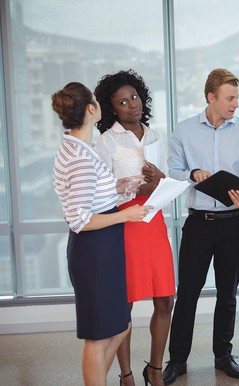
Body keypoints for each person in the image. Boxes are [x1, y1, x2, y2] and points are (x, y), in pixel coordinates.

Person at [162, 68, 239, 384]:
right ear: (211, 97)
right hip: (199, 224)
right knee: (188, 293)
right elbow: (173, 171)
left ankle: (223, 355)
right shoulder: (184, 130)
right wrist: (193, 174)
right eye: (230, 98)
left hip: (235, 224)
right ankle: (177, 360)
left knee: (227, 294)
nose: (235, 104)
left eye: (237, 98)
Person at [52, 82, 151, 385]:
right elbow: (79, 219)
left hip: (102, 247)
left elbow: (89, 196)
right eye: (96, 101)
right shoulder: (81, 157)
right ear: (91, 110)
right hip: (93, 249)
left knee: (119, 326)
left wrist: (121, 187)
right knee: (98, 337)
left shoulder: (78, 148)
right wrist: (127, 213)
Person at [94, 70, 175, 386]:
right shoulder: (106, 141)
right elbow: (100, 190)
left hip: (154, 221)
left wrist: (159, 181)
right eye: (122, 102)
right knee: (122, 305)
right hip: (125, 225)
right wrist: (133, 189)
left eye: (135, 97)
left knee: (166, 299)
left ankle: (155, 369)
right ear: (112, 108)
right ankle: (126, 375)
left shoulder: (155, 135)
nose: (131, 105)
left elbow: (165, 181)